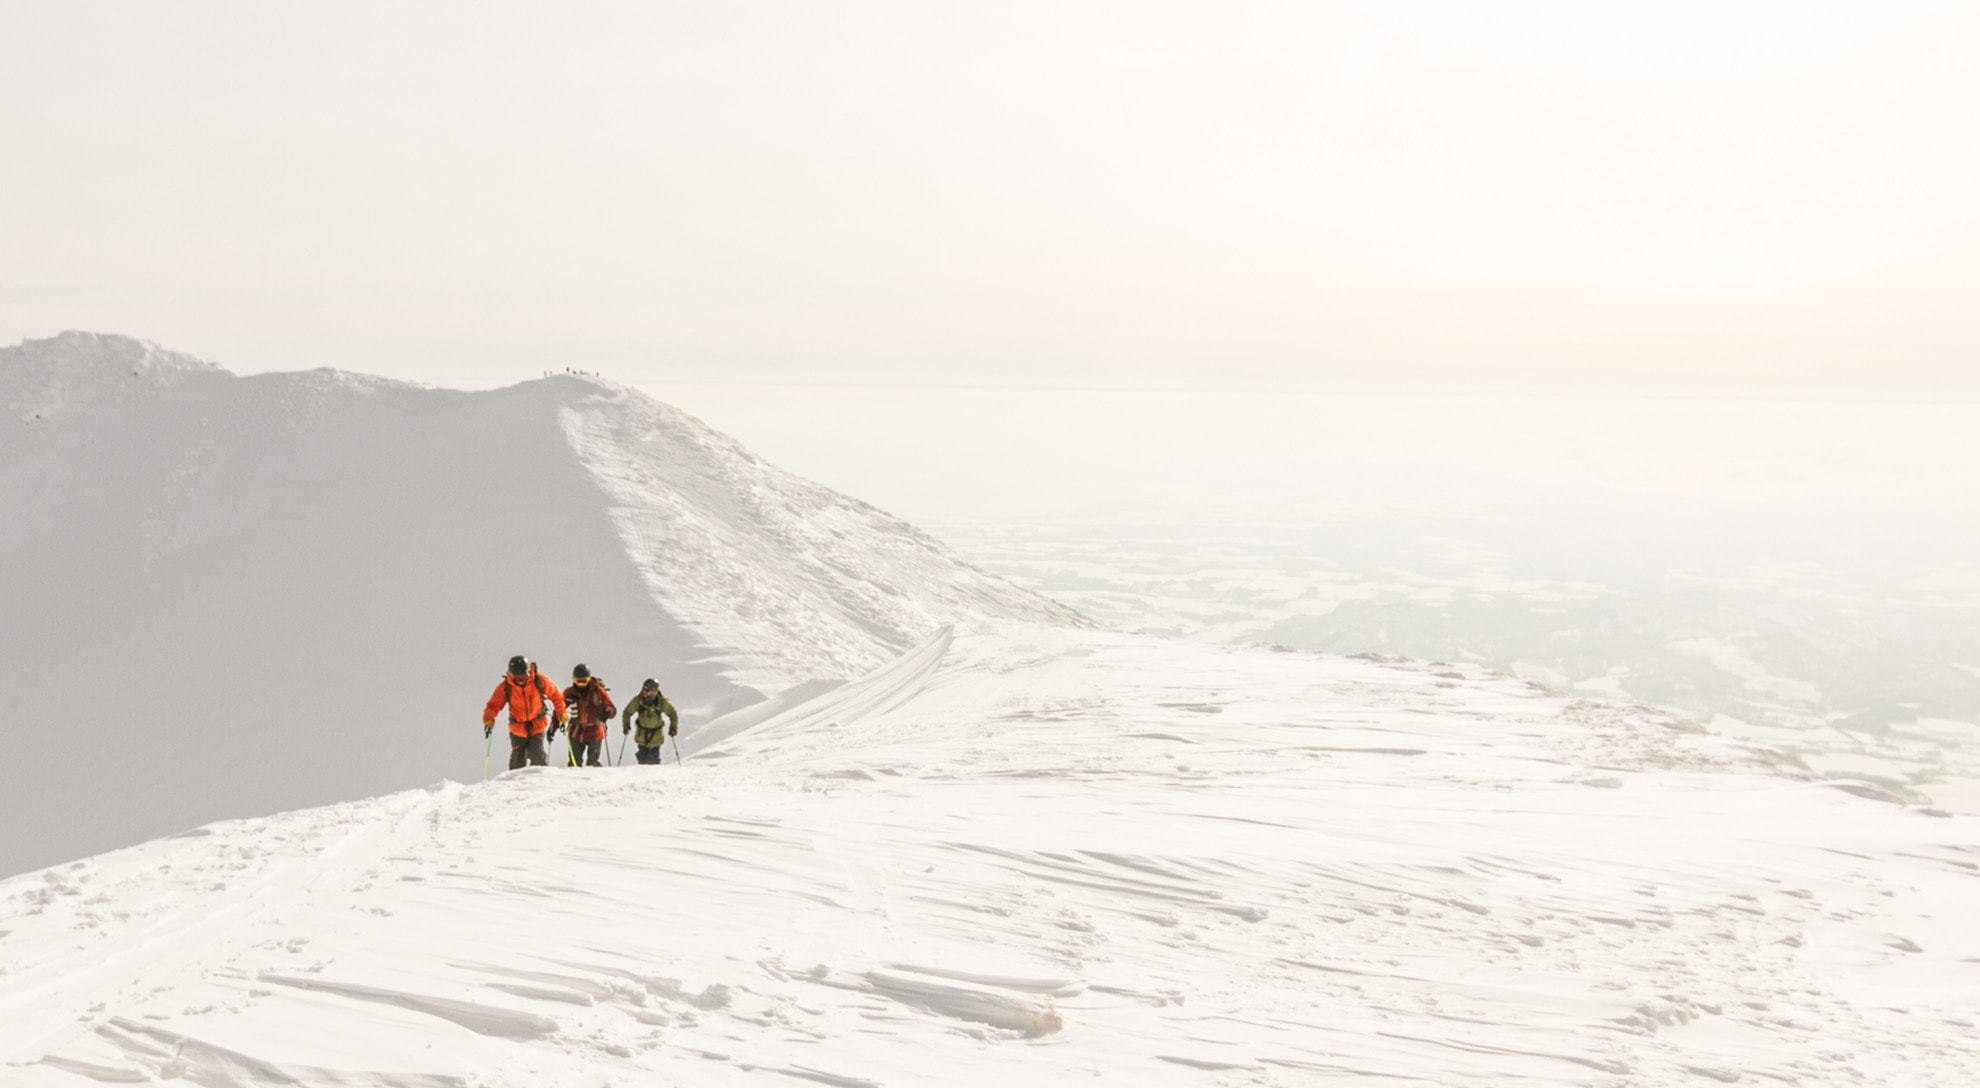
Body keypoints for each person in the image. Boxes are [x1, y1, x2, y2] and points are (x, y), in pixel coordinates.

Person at [482, 655, 567, 769]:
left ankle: (540, 782)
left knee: (538, 755)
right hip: (517, 727)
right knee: (517, 759)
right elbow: (493, 705)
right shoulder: (506, 687)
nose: (520, 680)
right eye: (517, 678)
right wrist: (489, 719)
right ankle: (516, 784)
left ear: (528, 672)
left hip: (537, 724)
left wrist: (562, 713)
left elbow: (556, 696)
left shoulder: (539, 680)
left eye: (523, 677)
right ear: (511, 675)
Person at [561, 663, 617, 767]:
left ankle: (593, 781)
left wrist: (607, 712)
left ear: (589, 679)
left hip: (595, 731)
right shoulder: (569, 693)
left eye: (584, 681)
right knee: (574, 764)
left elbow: (613, 709)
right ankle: (572, 782)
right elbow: (559, 709)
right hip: (576, 731)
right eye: (578, 681)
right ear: (573, 680)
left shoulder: (598, 692)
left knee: (592, 764)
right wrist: (556, 724)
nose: (581, 684)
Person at [622, 678, 679, 764]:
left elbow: (672, 713)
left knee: (652, 760)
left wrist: (673, 728)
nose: (651, 694)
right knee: (642, 758)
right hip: (642, 736)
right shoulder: (638, 701)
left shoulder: (661, 702)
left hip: (656, 736)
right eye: (649, 691)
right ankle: (646, 776)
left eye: (654, 691)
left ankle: (652, 774)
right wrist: (626, 725)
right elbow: (627, 712)